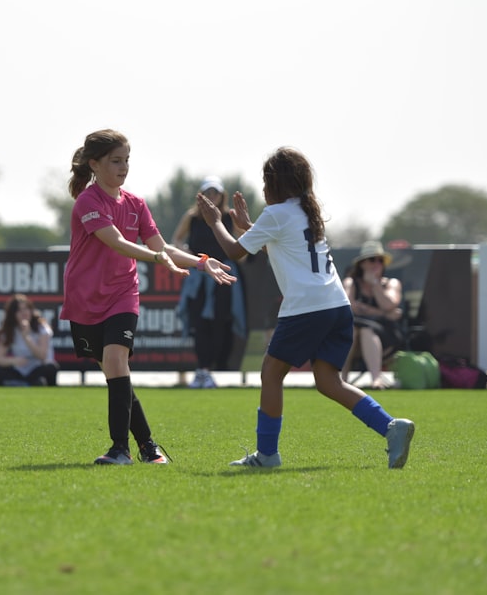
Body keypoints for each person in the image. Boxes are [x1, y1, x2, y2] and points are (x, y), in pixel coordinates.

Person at [196, 146, 415, 469]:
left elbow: (233, 252)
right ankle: (391, 427)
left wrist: (215, 221)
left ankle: (267, 455)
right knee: (328, 381)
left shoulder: (278, 213)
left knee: (271, 373)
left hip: (306, 308)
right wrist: (248, 226)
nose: (263, 187)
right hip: (337, 306)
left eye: (265, 180)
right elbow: (283, 249)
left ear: (275, 183)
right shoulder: (305, 212)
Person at [61, 129, 237, 465]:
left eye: (126, 160)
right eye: (115, 161)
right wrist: (156, 258)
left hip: (122, 294)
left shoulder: (136, 204)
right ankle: (148, 447)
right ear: (94, 164)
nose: (123, 167)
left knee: (116, 363)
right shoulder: (88, 201)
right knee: (118, 373)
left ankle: (119, 450)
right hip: (84, 299)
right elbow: (115, 242)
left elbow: (164, 248)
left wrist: (202, 261)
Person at [171, 176, 246, 389]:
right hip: (198, 279)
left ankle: (208, 370)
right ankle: (202, 371)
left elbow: (245, 242)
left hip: (222, 278)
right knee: (199, 325)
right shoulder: (192, 217)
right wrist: (189, 257)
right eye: (208, 192)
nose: (212, 196)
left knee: (220, 324)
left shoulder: (229, 218)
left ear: (221, 195)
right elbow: (177, 239)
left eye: (215, 192)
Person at [339, 240, 404, 390]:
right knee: (354, 330)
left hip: (385, 336)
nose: (377, 263)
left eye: (380, 260)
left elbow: (388, 304)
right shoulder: (351, 282)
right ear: (362, 264)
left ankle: (376, 380)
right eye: (372, 259)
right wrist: (383, 313)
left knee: (367, 331)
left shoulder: (391, 283)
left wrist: (375, 285)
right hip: (354, 335)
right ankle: (342, 381)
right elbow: (348, 305)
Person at [0, 294, 59, 386]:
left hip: (38, 368)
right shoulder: (10, 330)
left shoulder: (41, 327)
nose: (24, 313)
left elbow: (42, 356)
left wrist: (26, 337)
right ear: (13, 314)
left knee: (51, 368)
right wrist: (14, 361)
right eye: (19, 310)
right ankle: (21, 383)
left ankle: (32, 382)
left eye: (26, 309)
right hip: (19, 370)